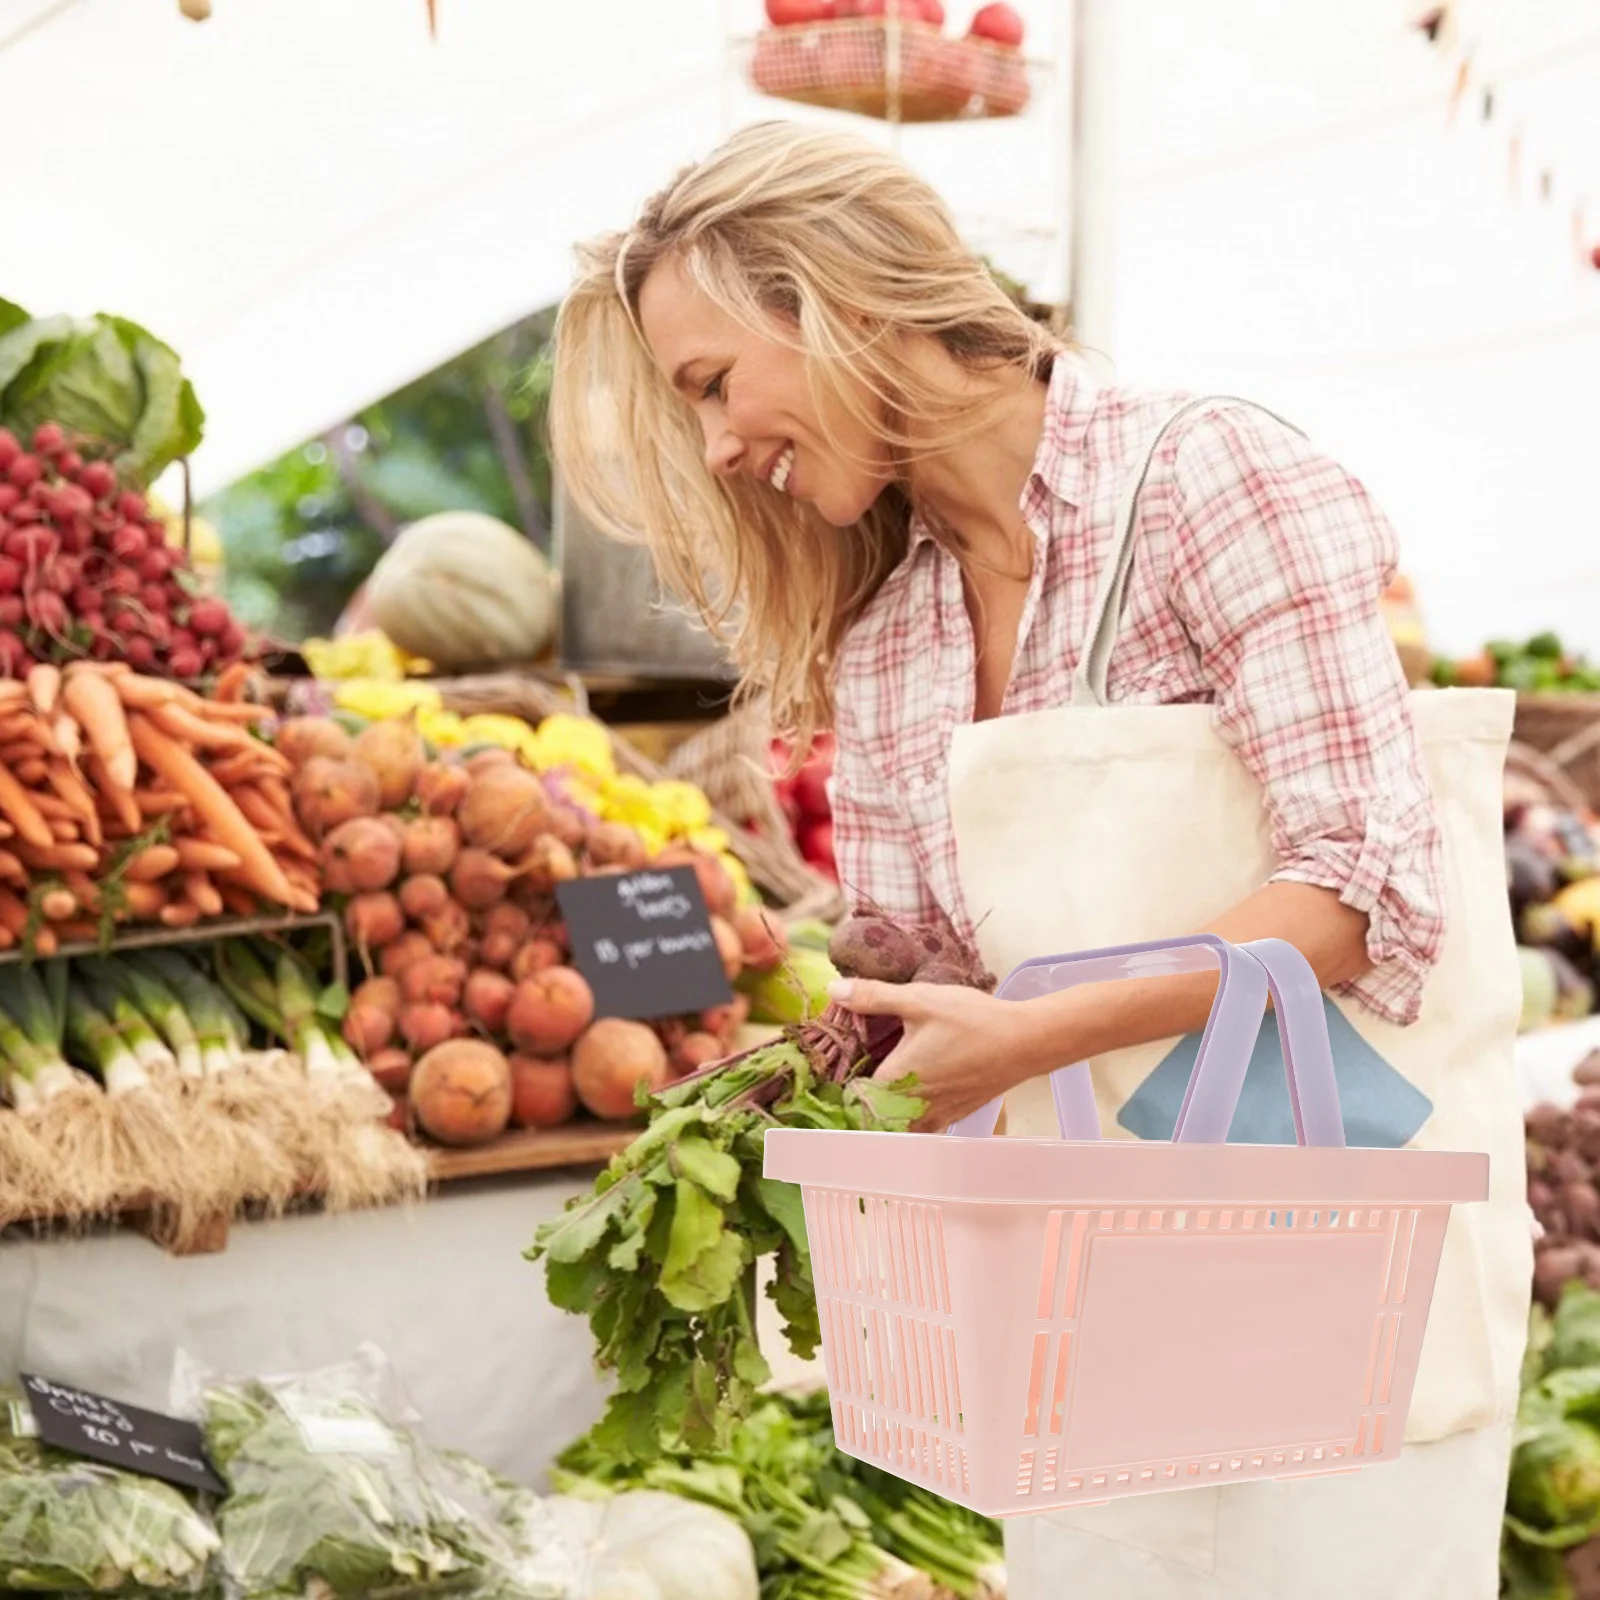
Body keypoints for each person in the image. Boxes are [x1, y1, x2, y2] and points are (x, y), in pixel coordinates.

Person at [548, 120, 1528, 1600]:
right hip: (1086, 1308)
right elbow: (930, 968)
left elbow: (1352, 893)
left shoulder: (1211, 480)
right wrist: (787, 1056)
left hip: (1341, 1265)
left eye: (711, 385)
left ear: (841, 304)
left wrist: (1024, 1040)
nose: (716, 449)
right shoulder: (891, 636)